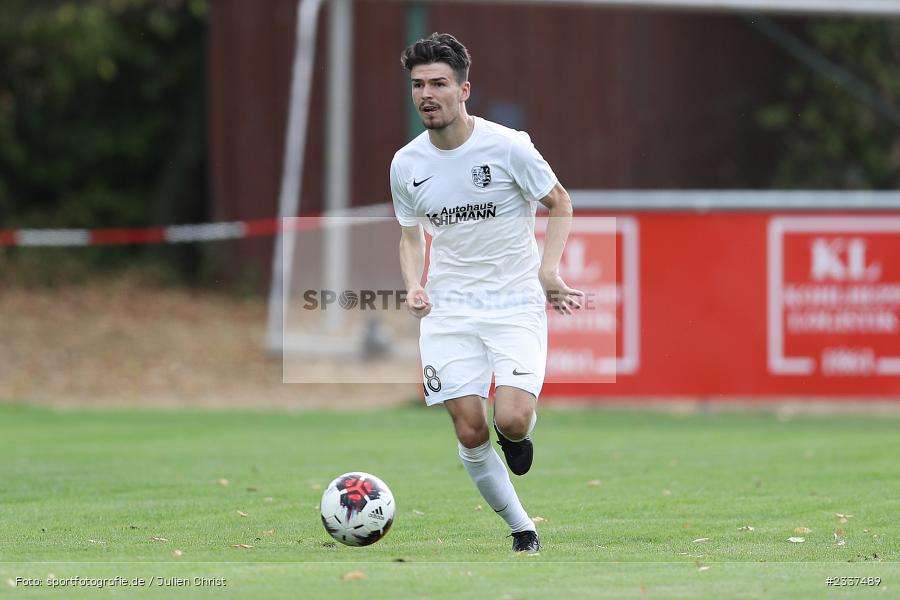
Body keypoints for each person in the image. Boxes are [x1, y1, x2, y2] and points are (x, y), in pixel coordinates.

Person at [390, 33, 583, 554]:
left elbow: (560, 203)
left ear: (464, 88)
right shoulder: (407, 164)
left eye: (438, 83)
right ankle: (524, 529)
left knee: (511, 420)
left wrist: (549, 271)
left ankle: (518, 439)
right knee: (471, 430)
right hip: (449, 310)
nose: (427, 94)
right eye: (417, 85)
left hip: (514, 302)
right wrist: (413, 284)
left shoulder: (508, 147)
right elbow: (410, 236)